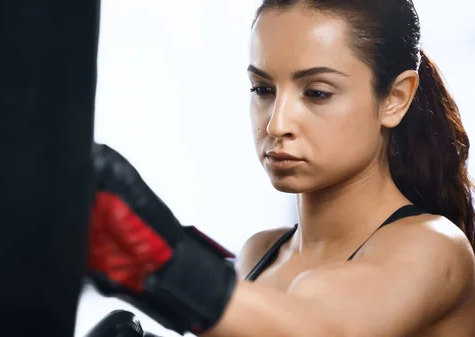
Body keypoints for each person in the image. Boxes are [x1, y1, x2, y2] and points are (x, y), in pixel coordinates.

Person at [86, 0, 475, 336]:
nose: (276, 124)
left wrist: (163, 262)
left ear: (394, 98)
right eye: (263, 90)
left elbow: (323, 328)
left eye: (317, 93)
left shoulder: (435, 247)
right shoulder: (259, 254)